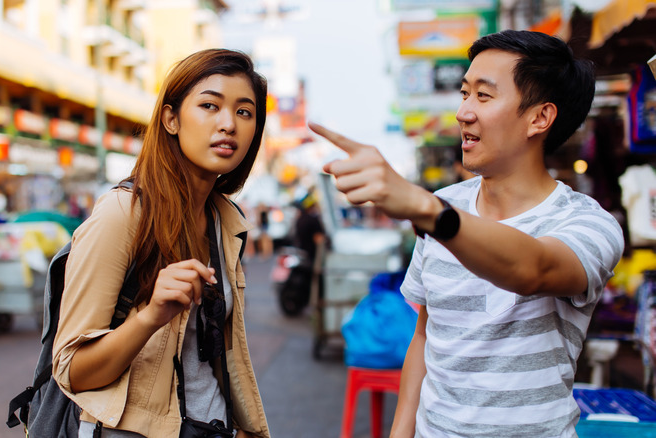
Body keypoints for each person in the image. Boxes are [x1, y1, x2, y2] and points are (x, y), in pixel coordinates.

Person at [312, 30, 624, 437]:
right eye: (464, 93)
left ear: (540, 118)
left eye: (484, 95)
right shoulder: (445, 206)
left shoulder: (588, 223)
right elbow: (425, 336)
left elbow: (533, 268)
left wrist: (426, 209)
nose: (463, 112)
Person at [52, 49, 270, 438]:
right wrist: (151, 315)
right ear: (171, 119)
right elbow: (73, 370)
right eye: (209, 105)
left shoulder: (225, 220)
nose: (228, 124)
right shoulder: (124, 213)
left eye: (244, 112)